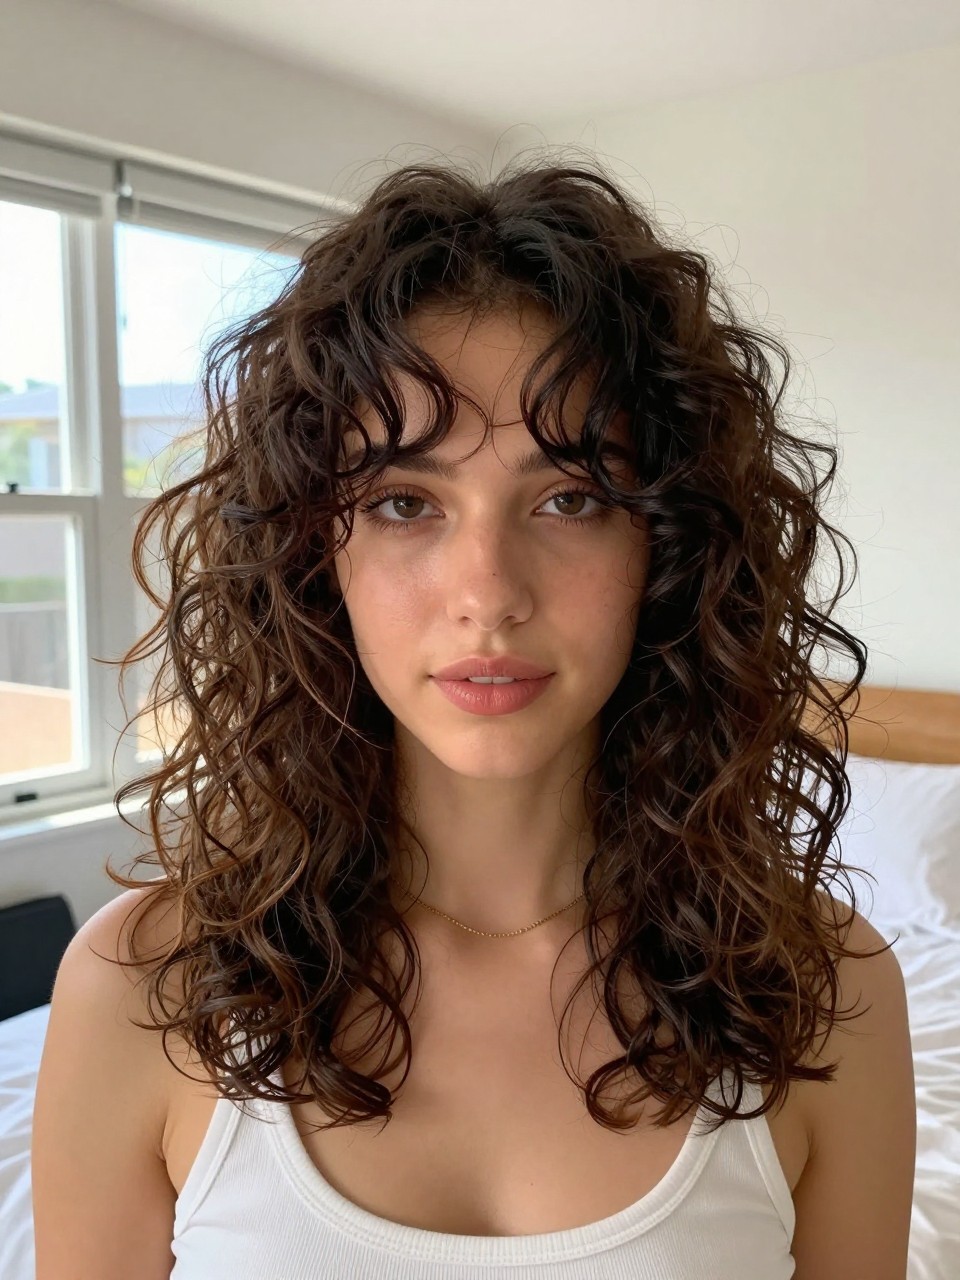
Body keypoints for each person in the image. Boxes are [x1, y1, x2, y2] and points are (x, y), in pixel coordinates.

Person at [31, 152, 916, 1279]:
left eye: (571, 497)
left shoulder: (830, 993)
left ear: (669, 548)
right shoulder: (136, 987)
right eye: (406, 502)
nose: (488, 591)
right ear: (315, 556)